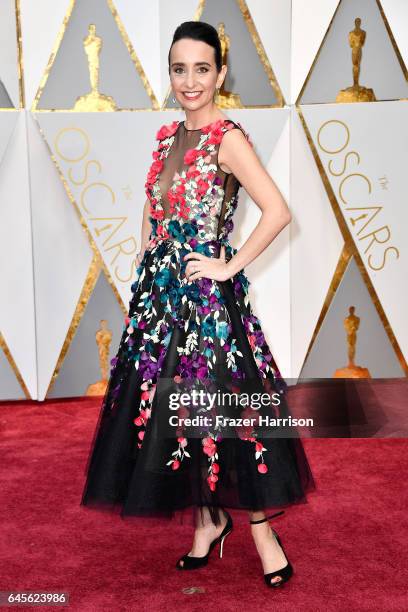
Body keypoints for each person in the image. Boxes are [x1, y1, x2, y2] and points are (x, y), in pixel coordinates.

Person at [81, 20, 316, 589]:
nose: (190, 81)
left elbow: (278, 211)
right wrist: (146, 265)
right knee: (168, 415)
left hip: (209, 308)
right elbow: (153, 206)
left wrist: (228, 264)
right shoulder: (165, 138)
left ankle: (262, 530)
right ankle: (208, 522)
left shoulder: (227, 138)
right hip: (160, 307)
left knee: (230, 416)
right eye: (180, 69)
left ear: (221, 74)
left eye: (202, 69)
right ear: (171, 73)